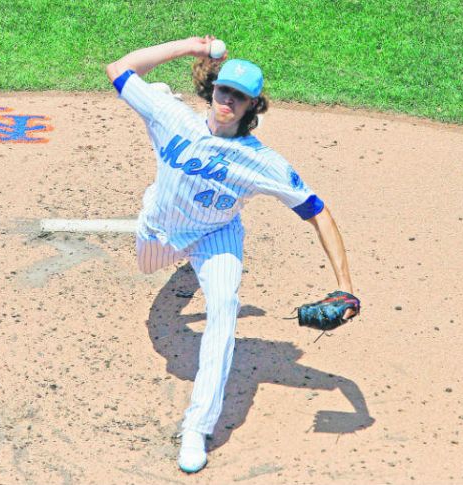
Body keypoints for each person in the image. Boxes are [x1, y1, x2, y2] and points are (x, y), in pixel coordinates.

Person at [105, 36, 359, 474]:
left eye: (239, 97)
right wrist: (190, 46)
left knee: (223, 310)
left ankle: (197, 428)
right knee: (148, 266)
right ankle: (184, 271)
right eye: (224, 90)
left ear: (251, 106)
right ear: (213, 90)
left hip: (216, 235)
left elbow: (317, 211)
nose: (228, 100)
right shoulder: (173, 118)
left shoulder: (262, 162)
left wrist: (346, 286)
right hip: (159, 231)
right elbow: (118, 68)